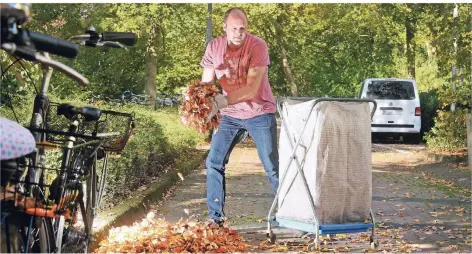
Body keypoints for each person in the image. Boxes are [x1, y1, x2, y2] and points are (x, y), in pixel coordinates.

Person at [200, 7, 279, 226]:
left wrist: (221, 102)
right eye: (234, 28)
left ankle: (289, 213)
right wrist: (200, 107)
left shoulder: (257, 46)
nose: (238, 32)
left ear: (247, 28)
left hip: (260, 112)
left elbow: (252, 89)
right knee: (214, 162)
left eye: (242, 28)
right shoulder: (214, 47)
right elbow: (205, 84)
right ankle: (215, 218)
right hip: (230, 116)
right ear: (224, 27)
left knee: (271, 165)